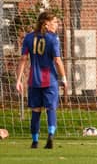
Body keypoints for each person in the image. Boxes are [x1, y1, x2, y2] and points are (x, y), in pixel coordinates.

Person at [16, 11, 67, 149]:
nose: (57, 24)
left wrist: (18, 80)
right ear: (46, 23)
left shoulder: (28, 37)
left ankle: (35, 141)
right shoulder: (53, 38)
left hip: (33, 80)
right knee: (51, 108)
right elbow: (57, 60)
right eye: (55, 22)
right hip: (49, 79)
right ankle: (50, 135)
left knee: (36, 111)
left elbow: (23, 59)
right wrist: (64, 78)